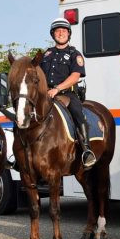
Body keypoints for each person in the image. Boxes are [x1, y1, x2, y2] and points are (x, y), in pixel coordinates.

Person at [40, 18, 96, 169]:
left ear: (68, 34)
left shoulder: (74, 54)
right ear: (53, 34)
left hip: (67, 94)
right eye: (57, 31)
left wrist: (57, 89)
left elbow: (75, 76)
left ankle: (86, 150)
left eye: (63, 31)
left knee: (78, 113)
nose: (60, 33)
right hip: (46, 94)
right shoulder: (46, 54)